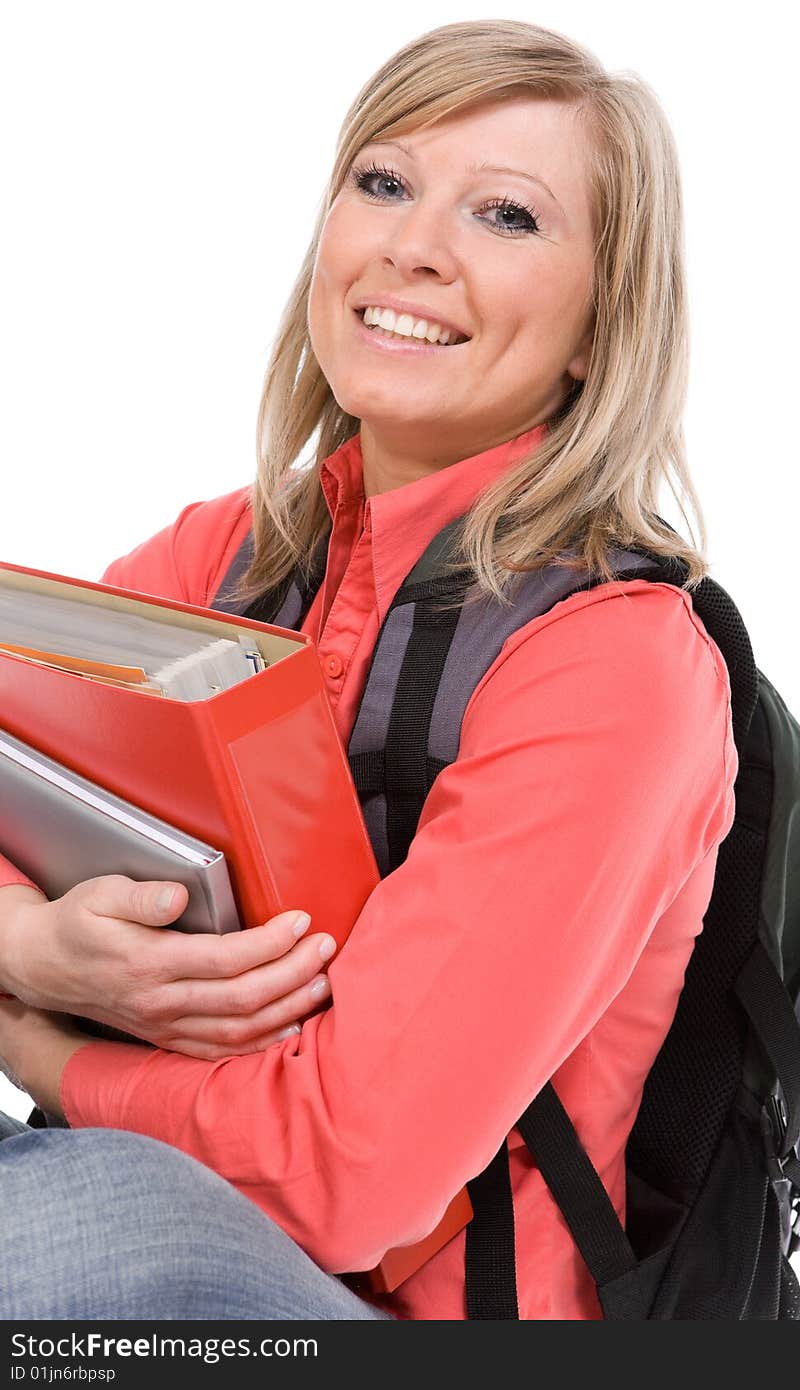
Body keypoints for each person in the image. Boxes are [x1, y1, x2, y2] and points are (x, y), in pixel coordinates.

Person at [0, 18, 737, 1320]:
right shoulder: (226, 553)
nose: (415, 246)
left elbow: (350, 1173)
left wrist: (34, 1042)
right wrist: (31, 942)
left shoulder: (618, 666)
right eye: (384, 182)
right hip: (147, 1210)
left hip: (399, 1314)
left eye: (506, 215)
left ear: (596, 327)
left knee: (56, 1222)